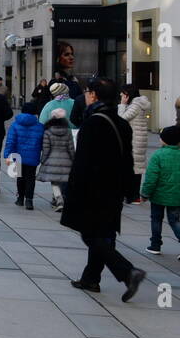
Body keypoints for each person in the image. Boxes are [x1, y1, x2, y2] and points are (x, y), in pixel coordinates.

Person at [62, 76, 147, 300]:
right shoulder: (120, 122)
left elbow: (82, 162)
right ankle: (91, 278)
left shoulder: (93, 122)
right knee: (105, 233)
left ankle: (128, 272)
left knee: (91, 234)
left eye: (88, 92)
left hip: (93, 189)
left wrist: (71, 191)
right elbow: (127, 159)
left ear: (94, 95)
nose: (87, 96)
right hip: (114, 189)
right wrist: (130, 190)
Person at [141, 125, 180, 260]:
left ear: (164, 140)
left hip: (158, 195)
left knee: (156, 219)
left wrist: (145, 193)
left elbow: (151, 178)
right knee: (175, 220)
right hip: (176, 195)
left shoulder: (158, 155)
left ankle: (155, 245)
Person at [4, 101, 44, 209]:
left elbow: (10, 142)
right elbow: (42, 143)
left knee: (20, 177)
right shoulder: (40, 126)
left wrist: (7, 155)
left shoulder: (15, 125)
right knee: (31, 178)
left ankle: (20, 199)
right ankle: (29, 200)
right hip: (33, 155)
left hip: (18, 156)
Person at [120, 84, 151, 205]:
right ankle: (132, 195)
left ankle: (133, 196)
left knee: (134, 168)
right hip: (138, 138)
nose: (120, 95)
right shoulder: (138, 104)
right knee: (135, 167)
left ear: (127, 94)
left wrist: (122, 104)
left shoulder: (135, 105)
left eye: (122, 93)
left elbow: (122, 118)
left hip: (135, 140)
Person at [39, 107, 75, 212]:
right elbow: (71, 148)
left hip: (51, 160)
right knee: (63, 181)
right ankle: (59, 199)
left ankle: (59, 200)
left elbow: (46, 148)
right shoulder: (68, 131)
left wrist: (43, 160)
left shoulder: (48, 131)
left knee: (54, 182)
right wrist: (73, 159)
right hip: (66, 160)